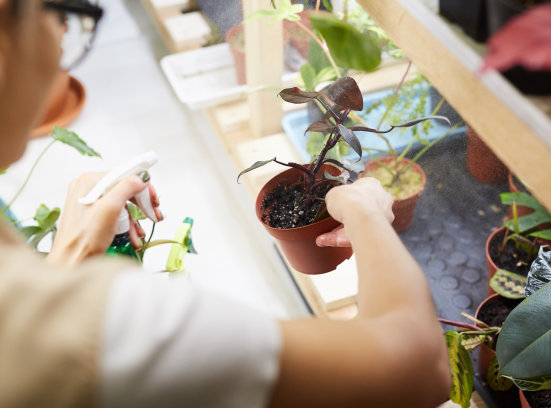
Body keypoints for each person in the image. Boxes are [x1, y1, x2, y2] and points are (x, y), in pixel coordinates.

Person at [0, 0, 451, 407]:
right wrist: (367, 213)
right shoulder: (118, 325)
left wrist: (66, 260)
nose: (61, 38)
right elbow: (421, 369)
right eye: (61, 14)